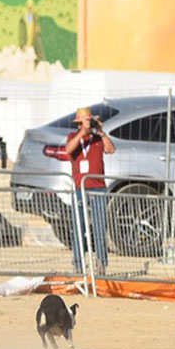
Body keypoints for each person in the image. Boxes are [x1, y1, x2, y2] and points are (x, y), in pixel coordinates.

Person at [65, 107, 115, 274]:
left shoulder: (97, 139)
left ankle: (101, 263)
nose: (89, 124)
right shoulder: (73, 137)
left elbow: (110, 149)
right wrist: (83, 132)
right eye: (86, 121)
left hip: (98, 187)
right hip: (80, 187)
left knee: (100, 226)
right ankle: (78, 264)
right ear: (79, 123)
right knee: (79, 227)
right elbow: (68, 150)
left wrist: (100, 131)